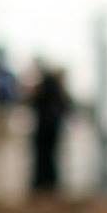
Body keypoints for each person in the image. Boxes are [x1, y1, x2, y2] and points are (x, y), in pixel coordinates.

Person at [29, 63, 72, 194]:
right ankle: (47, 184)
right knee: (47, 157)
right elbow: (66, 106)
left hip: (44, 129)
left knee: (44, 157)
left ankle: (43, 184)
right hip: (51, 128)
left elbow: (33, 102)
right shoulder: (56, 89)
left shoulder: (44, 88)